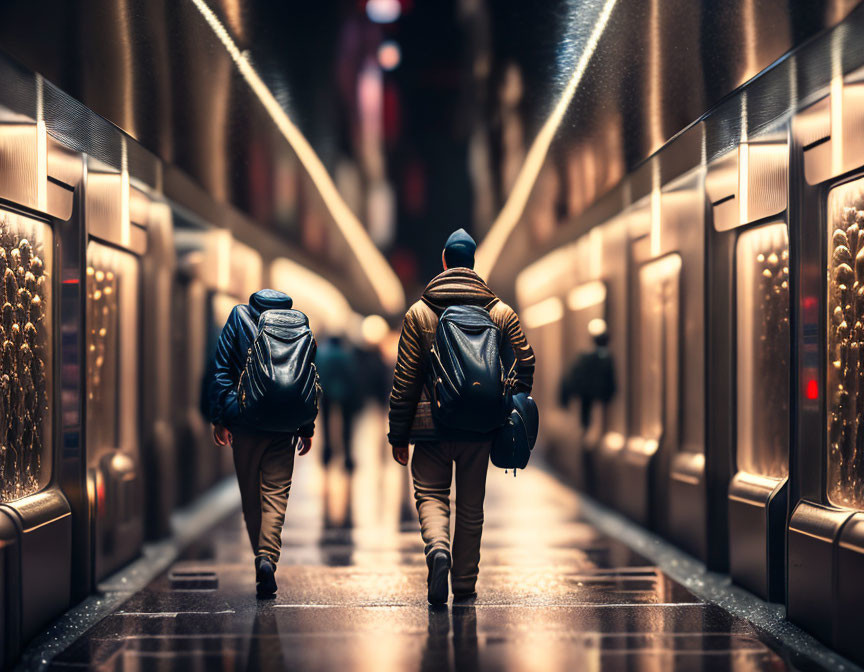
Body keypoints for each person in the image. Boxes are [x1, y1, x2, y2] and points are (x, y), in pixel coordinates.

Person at [388, 228, 535, 605]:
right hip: (480, 427)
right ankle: (465, 584)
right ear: (473, 264)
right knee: (472, 508)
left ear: (444, 262)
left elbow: (404, 380)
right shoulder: (500, 312)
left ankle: (438, 548)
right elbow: (526, 360)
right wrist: (508, 400)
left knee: (431, 494)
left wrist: (398, 434)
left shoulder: (419, 313)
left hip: (429, 429)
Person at [207, 289, 315, 597]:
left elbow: (221, 370)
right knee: (276, 497)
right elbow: (307, 376)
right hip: (285, 425)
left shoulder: (240, 318)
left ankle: (261, 558)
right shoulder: (299, 324)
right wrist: (306, 425)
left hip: (246, 424)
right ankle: (267, 557)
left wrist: (224, 416)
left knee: (251, 498)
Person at [560, 318, 616, 429]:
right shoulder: (605, 359)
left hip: (589, 399)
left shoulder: (585, 358)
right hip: (597, 400)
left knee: (587, 419)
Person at [316, 335, 359, 471]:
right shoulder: (346, 354)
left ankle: (327, 454)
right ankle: (348, 457)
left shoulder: (323, 355)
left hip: (326, 392)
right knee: (347, 426)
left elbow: (319, 373)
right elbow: (352, 374)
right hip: (346, 393)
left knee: (326, 425)